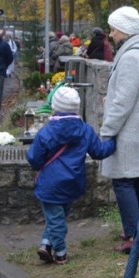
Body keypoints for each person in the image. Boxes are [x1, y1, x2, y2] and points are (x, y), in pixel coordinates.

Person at [27, 86, 116, 265]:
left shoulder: (47, 132)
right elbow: (98, 151)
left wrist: (40, 165)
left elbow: (34, 158)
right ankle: (46, 244)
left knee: (55, 219)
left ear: (56, 106)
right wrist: (114, 142)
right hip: (73, 182)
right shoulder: (85, 130)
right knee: (58, 217)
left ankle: (60, 253)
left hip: (50, 184)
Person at [99, 7, 139, 254]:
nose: (111, 34)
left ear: (124, 30)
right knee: (137, 181)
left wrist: (108, 130)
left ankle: (133, 234)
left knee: (124, 182)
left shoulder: (132, 57)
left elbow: (123, 101)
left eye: (114, 29)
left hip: (130, 130)